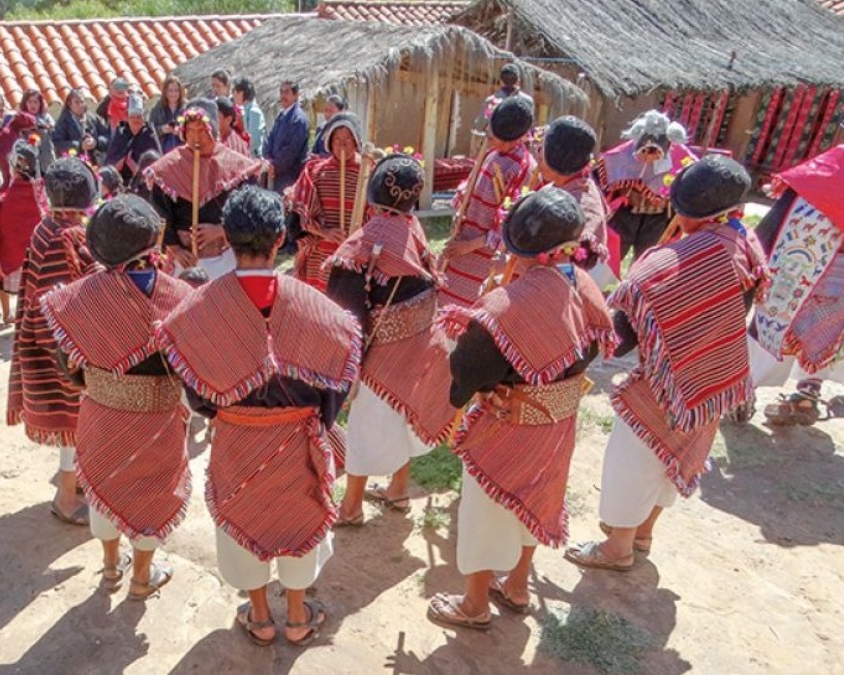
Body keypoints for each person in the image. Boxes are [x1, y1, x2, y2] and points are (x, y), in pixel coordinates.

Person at [156, 186, 361, 646]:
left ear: (226, 239)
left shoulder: (195, 312)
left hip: (235, 442)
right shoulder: (323, 312)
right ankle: (298, 615)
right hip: (300, 443)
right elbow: (336, 390)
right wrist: (311, 420)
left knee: (242, 521)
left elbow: (200, 399)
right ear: (280, 238)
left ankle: (262, 617)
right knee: (300, 522)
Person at [566, 155, 765, 572]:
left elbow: (625, 331)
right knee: (672, 458)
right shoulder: (744, 243)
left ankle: (617, 548)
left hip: (665, 382)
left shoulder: (669, 266)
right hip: (711, 380)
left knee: (632, 459)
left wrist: (575, 355)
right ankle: (643, 534)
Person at [427, 189, 614, 630]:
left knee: (486, 514)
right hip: (557, 426)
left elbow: (465, 370)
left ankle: (474, 604)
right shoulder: (585, 286)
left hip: (507, 424)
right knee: (534, 501)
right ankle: (517, 584)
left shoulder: (506, 308)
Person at [43, 194, 194, 600]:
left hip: (101, 414)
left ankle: (111, 567)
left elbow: (69, 367)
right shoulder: (181, 297)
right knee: (154, 493)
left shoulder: (77, 300)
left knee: (103, 487)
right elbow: (192, 368)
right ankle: (143, 578)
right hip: (160, 418)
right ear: (154, 241)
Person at [326, 153, 458, 526]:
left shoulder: (366, 240)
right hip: (421, 344)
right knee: (404, 416)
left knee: (368, 426)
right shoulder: (414, 228)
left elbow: (344, 307)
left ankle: (351, 507)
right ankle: (398, 490)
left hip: (381, 356)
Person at [7, 156, 98, 526]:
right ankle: (66, 497)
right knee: (73, 424)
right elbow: (65, 298)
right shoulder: (66, 236)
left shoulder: (46, 226)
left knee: (74, 426)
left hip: (45, 341)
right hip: (60, 349)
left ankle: (74, 487)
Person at [746, 142, 844, 425]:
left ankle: (746, 390)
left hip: (800, 270)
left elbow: (780, 218)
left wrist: (754, 253)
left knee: (774, 325)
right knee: (826, 336)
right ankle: (808, 393)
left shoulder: (828, 169)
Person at [144, 100, 262, 278]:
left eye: (201, 130)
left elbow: (251, 210)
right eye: (190, 131)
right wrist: (176, 249)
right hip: (184, 261)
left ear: (212, 131)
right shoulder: (168, 168)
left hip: (224, 257)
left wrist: (221, 230)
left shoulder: (237, 166)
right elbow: (160, 213)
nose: (195, 138)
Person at [438, 96, 534, 309]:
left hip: (483, 257)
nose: (487, 140)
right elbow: (471, 185)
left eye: (493, 138)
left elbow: (510, 226)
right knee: (439, 298)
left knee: (465, 314)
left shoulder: (523, 169)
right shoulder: (492, 153)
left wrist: (469, 246)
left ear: (513, 140)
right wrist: (459, 211)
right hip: (460, 245)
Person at [595, 110, 696, 264]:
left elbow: (689, 182)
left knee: (647, 259)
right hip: (625, 213)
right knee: (611, 255)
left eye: (655, 152)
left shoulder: (681, 158)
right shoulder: (625, 154)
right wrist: (627, 191)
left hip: (657, 219)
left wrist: (668, 200)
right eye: (645, 151)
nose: (649, 157)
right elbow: (606, 175)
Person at [291, 112, 364, 291]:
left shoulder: (367, 172)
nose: (343, 144)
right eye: (337, 139)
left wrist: (356, 237)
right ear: (329, 142)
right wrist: (325, 232)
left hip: (356, 253)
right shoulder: (315, 172)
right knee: (320, 303)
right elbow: (303, 214)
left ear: (356, 141)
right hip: (322, 251)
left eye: (348, 138)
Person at [537, 116, 611, 278]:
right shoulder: (557, 187)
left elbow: (566, 273)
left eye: (544, 151)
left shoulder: (583, 207)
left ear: (559, 159)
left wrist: (518, 267)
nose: (539, 156)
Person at [0, 140, 48, 324]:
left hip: (19, 255)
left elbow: (6, 223)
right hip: (36, 255)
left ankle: (18, 315)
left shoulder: (12, 195)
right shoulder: (38, 190)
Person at [264, 81, 310, 194]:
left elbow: (291, 150)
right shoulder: (281, 116)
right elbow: (270, 138)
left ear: (295, 95)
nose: (283, 96)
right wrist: (268, 160)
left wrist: (274, 166)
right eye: (281, 92)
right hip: (275, 174)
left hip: (290, 177)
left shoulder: (299, 120)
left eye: (287, 92)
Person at [105, 95, 161, 184]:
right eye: (132, 116)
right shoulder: (121, 133)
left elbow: (158, 163)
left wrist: (138, 170)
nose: (136, 120)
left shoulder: (149, 133)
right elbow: (109, 163)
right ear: (127, 117)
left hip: (144, 184)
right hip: (120, 182)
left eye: (138, 116)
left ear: (143, 118)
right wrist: (119, 164)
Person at [48, 89, 109, 167]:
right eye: (77, 102)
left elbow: (107, 136)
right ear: (69, 104)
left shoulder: (92, 118)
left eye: (82, 102)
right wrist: (79, 146)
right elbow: (57, 143)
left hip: (96, 162)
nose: (80, 105)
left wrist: (96, 142)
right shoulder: (63, 122)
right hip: (73, 164)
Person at [0, 108, 38, 187]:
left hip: (16, 174)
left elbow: (32, 121)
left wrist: (16, 114)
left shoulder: (11, 124)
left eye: (1, 111)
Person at [474, 64, 534, 134]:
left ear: (500, 81)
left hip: (496, 144)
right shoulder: (528, 101)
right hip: (519, 144)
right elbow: (530, 127)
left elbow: (479, 127)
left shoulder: (491, 101)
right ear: (518, 81)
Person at [149, 75, 187, 154]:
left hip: (183, 153)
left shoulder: (187, 107)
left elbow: (194, 130)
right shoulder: (157, 108)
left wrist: (181, 131)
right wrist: (162, 129)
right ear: (165, 92)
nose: (173, 94)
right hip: (162, 154)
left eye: (176, 90)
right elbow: (149, 131)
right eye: (170, 90)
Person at [233, 77, 266, 159]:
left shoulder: (254, 112)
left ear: (241, 93)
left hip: (254, 160)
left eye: (234, 91)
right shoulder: (246, 110)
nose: (233, 94)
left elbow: (254, 141)